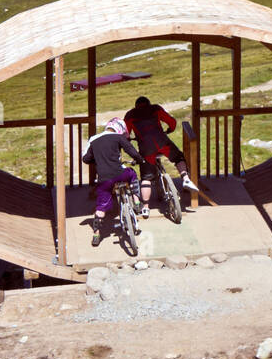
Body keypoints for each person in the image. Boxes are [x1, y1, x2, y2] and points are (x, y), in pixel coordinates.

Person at [124, 96, 198, 214]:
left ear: (136, 105)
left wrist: (129, 139)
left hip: (146, 147)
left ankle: (146, 207)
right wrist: (170, 129)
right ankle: (185, 178)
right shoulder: (155, 108)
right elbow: (171, 122)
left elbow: (126, 133)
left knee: (146, 178)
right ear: (148, 103)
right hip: (162, 142)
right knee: (178, 157)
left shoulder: (130, 114)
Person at [81, 118, 143, 247]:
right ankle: (137, 202)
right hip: (120, 173)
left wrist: (98, 160)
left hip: (104, 179)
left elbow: (86, 159)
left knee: (101, 207)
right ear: (119, 129)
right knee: (132, 174)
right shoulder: (118, 137)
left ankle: (96, 235)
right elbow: (131, 151)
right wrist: (140, 160)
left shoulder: (93, 140)